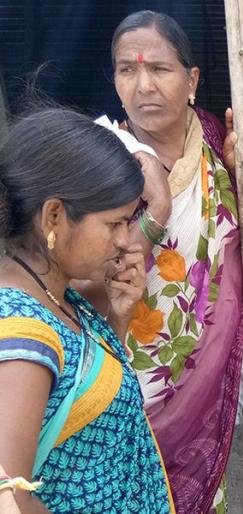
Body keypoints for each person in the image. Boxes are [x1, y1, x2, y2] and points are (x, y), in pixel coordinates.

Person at [94, 11, 243, 513]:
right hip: (135, 381)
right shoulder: (103, 162)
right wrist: (155, 212)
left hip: (203, 372)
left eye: (159, 69)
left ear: (192, 80)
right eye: (127, 70)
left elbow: (230, 232)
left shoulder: (211, 138)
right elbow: (83, 281)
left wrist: (239, 168)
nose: (143, 86)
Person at [0, 107, 173, 513]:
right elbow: (9, 499)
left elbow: (83, 400)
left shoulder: (58, 296)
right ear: (54, 216)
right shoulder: (23, 336)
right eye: (115, 223)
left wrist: (119, 319)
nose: (126, 240)